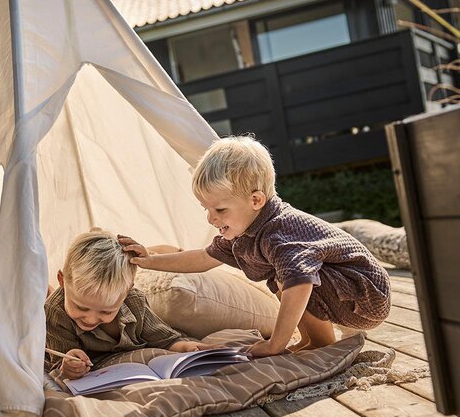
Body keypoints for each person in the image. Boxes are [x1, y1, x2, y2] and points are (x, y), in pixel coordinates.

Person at [119, 135, 391, 358]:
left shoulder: (280, 232)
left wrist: (276, 344)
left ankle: (321, 342)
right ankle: (312, 339)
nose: (211, 218)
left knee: (291, 278)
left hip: (366, 295)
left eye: (220, 209)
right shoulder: (244, 231)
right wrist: (149, 259)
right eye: (207, 209)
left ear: (256, 200)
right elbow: (202, 258)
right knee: (281, 277)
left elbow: (300, 286)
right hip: (346, 292)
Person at [45, 230, 207, 379]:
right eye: (81, 307)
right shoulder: (55, 311)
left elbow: (166, 339)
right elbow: (59, 363)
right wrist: (69, 365)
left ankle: (164, 250)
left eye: (106, 311)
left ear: (127, 292)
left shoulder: (134, 301)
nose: (91, 318)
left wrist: (189, 347)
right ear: (62, 281)